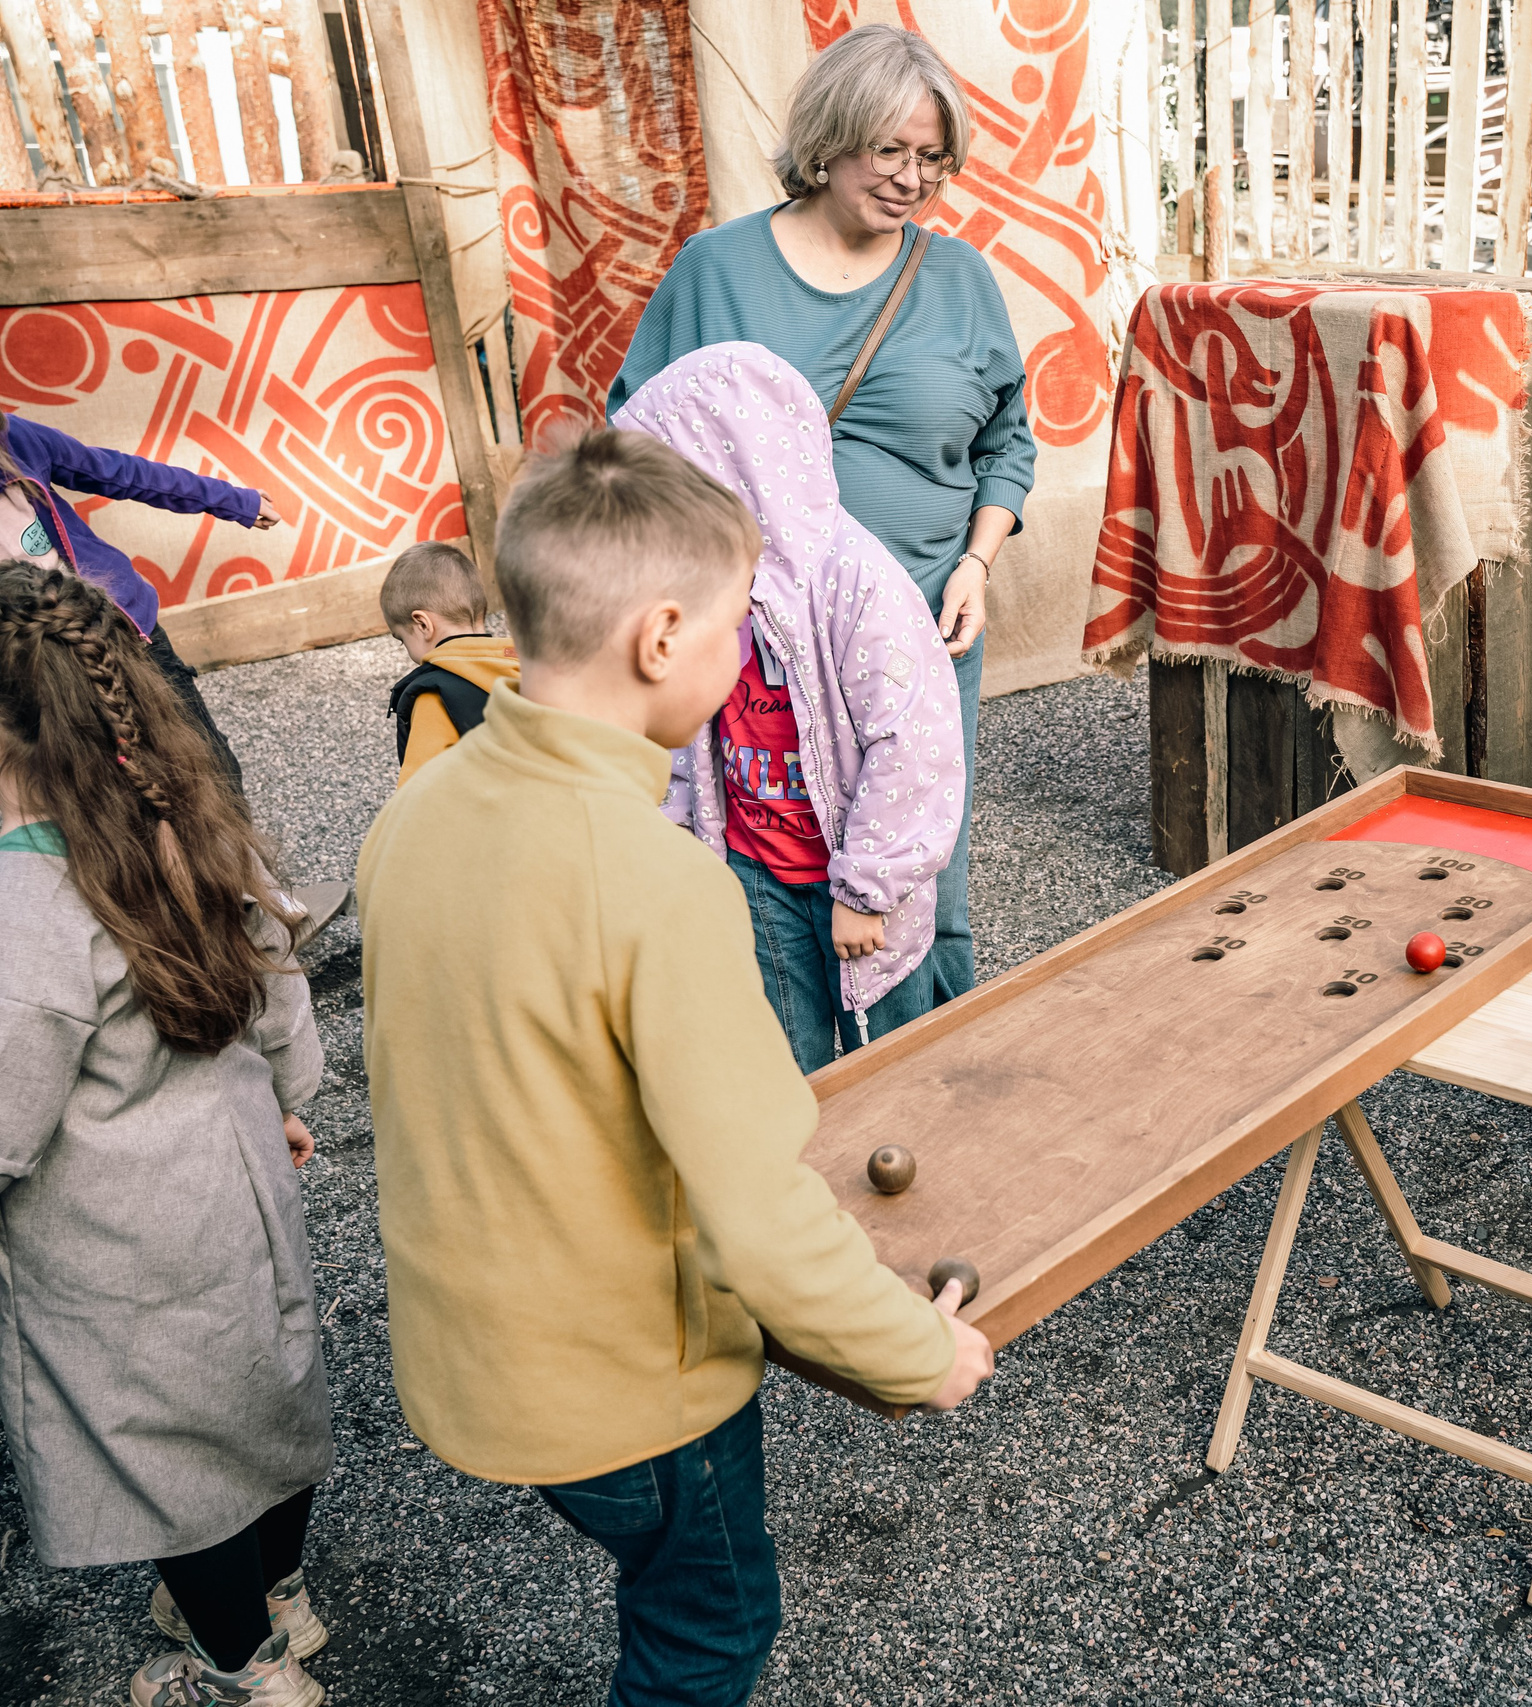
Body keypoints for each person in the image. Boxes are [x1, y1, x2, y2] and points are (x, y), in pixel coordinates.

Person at [356, 428, 993, 1706]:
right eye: (733, 623)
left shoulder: (415, 809)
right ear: (659, 639)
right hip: (630, 1389)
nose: (742, 647)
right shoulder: (660, 883)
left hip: (474, 1356)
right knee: (709, 1629)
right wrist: (919, 1356)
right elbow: (757, 1208)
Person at [609, 22, 1036, 1037]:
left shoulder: (960, 279)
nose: (911, 178)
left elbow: (1008, 438)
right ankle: (790, 1088)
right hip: (754, 643)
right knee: (764, 859)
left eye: (932, 158)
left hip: (920, 626)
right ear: (828, 140)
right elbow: (639, 443)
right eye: (889, 149)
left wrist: (979, 560)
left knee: (920, 858)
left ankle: (933, 1077)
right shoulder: (716, 271)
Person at [0, 562, 332, 1707]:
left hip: (114, 1234)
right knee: (261, 1390)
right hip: (238, 1176)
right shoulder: (190, 823)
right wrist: (289, 1095)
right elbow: (281, 974)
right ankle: (281, 1591)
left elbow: (6, 1117)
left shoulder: (25, 911)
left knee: (166, 1456)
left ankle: (242, 1671)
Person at [617, 344, 964, 1070]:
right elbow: (684, 734)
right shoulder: (702, 590)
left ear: (730, 472)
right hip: (755, 868)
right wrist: (676, 834)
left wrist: (868, 887)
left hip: (860, 879)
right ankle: (807, 1178)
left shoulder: (856, 584)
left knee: (894, 1065)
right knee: (785, 1060)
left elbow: (914, 745)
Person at [0, 411, 280, 788]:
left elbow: (118, 472)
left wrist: (233, 500)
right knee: (102, 788)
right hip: (33, 660)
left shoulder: (18, 439)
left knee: (212, 767)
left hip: (121, 626)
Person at [378, 539, 519, 786]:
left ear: (422, 624)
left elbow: (418, 798)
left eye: (402, 640)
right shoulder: (532, 668)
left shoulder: (434, 697)